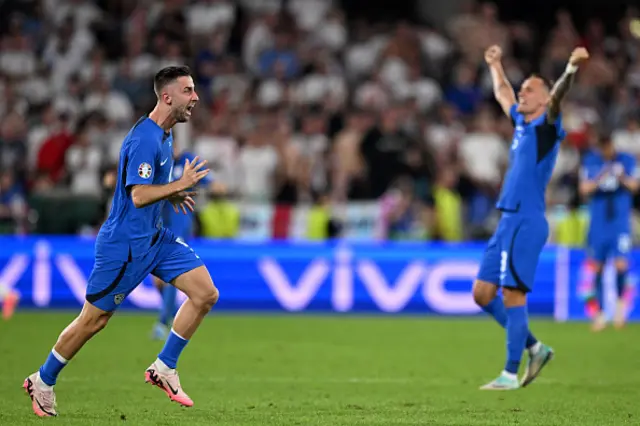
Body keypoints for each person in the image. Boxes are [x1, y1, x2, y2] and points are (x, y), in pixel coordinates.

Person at [23, 66, 219, 417]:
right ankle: (43, 379)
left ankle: (164, 367)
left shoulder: (165, 134)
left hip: (155, 238)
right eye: (189, 91)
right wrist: (178, 184)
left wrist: (170, 196)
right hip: (125, 246)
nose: (196, 98)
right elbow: (140, 195)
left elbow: (147, 193)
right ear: (167, 96)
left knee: (205, 293)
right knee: (93, 321)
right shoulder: (145, 138)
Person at [473, 45, 589, 390]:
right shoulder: (522, 123)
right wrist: (495, 63)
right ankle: (535, 348)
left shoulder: (546, 126)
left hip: (527, 220)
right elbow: (502, 91)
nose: (521, 91)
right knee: (482, 294)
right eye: (522, 87)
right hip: (507, 219)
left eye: (529, 89)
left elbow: (556, 99)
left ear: (542, 98)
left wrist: (569, 70)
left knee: (512, 294)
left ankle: (509, 373)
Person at [151, 147, 214, 341]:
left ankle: (163, 322)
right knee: (158, 279)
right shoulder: (157, 164)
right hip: (159, 223)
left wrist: (214, 184)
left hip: (180, 223)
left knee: (171, 274)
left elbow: (206, 180)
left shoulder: (186, 160)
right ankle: (175, 314)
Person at [579, 135, 638, 331]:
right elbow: (584, 189)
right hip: (598, 223)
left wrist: (621, 177)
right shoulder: (591, 161)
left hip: (620, 223)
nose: (606, 151)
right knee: (596, 267)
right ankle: (600, 314)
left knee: (621, 265)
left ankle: (621, 307)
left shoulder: (627, 160)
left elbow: (635, 186)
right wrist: (601, 176)